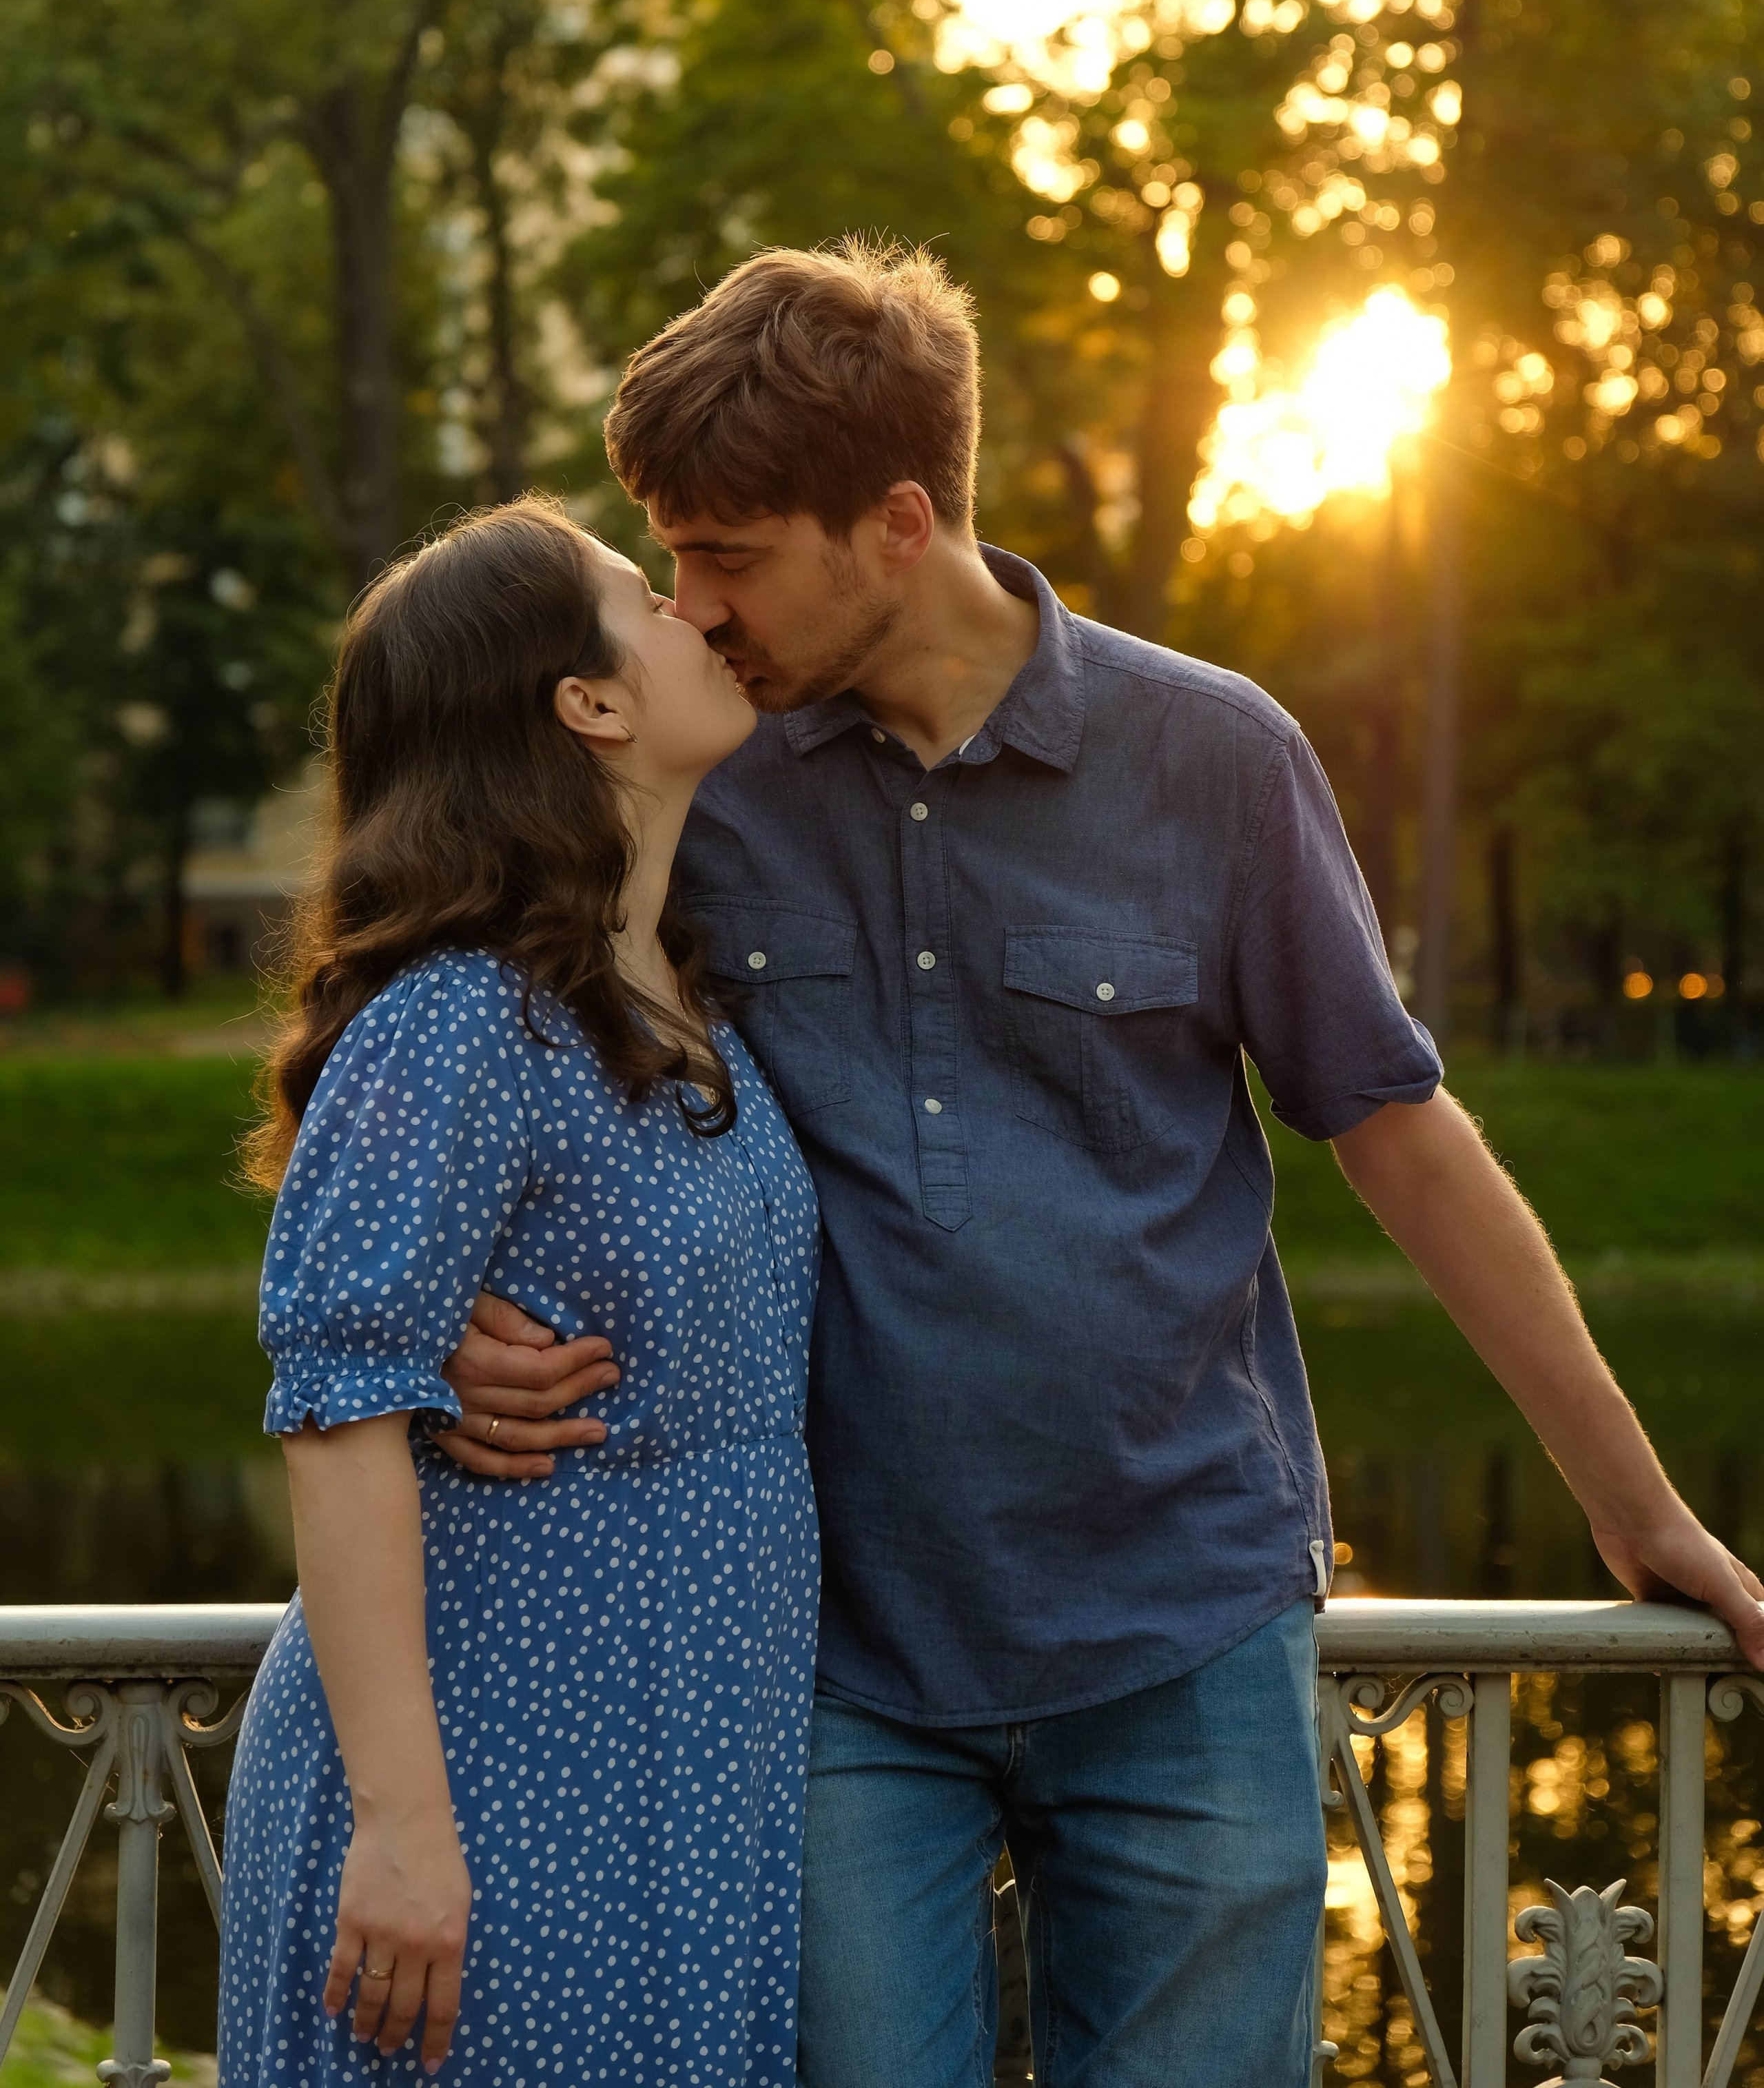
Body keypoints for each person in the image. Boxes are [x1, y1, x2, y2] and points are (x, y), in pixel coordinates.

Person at [439, 241, 1764, 2088]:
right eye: (671, 550)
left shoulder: (1214, 757)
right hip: (831, 1656)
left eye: (726, 553)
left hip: (1184, 1633)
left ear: (896, 522)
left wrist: (1639, 1509)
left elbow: (1401, 1133)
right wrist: (447, 1320)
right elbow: (472, 1062)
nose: (688, 605)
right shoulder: (696, 776)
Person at [219, 502, 821, 2086]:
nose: (694, 609)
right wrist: (404, 1828)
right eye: (644, 595)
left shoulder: (682, 1003)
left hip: (687, 1761)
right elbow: (339, 1409)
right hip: (492, 1765)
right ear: (589, 701)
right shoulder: (459, 1018)